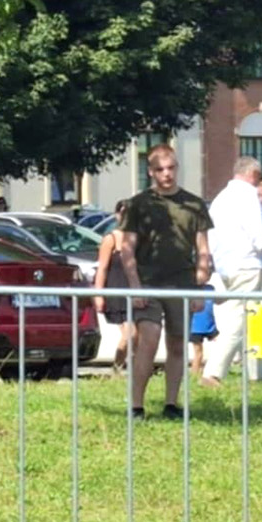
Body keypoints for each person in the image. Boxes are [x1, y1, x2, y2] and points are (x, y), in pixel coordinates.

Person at [113, 144, 213, 419]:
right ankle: (136, 405)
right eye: (160, 169)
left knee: (178, 343)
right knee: (149, 339)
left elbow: (203, 250)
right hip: (148, 283)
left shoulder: (193, 204)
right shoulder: (139, 204)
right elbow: (127, 249)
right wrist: (135, 286)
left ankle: (171, 403)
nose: (166, 174)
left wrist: (199, 288)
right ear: (151, 172)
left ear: (176, 168)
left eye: (170, 168)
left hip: (182, 283)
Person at [202, 157, 262, 385]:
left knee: (252, 319)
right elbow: (258, 233)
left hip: (228, 266)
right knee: (238, 318)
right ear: (253, 173)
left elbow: (211, 236)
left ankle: (258, 371)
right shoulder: (247, 196)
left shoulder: (220, 199)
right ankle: (212, 372)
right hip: (248, 263)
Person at [92, 199, 133, 376]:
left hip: (134, 292)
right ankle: (117, 368)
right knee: (129, 335)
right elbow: (102, 268)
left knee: (135, 335)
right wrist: (98, 295)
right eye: (122, 213)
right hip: (116, 292)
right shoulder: (110, 239)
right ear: (117, 215)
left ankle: (129, 369)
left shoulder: (136, 238)